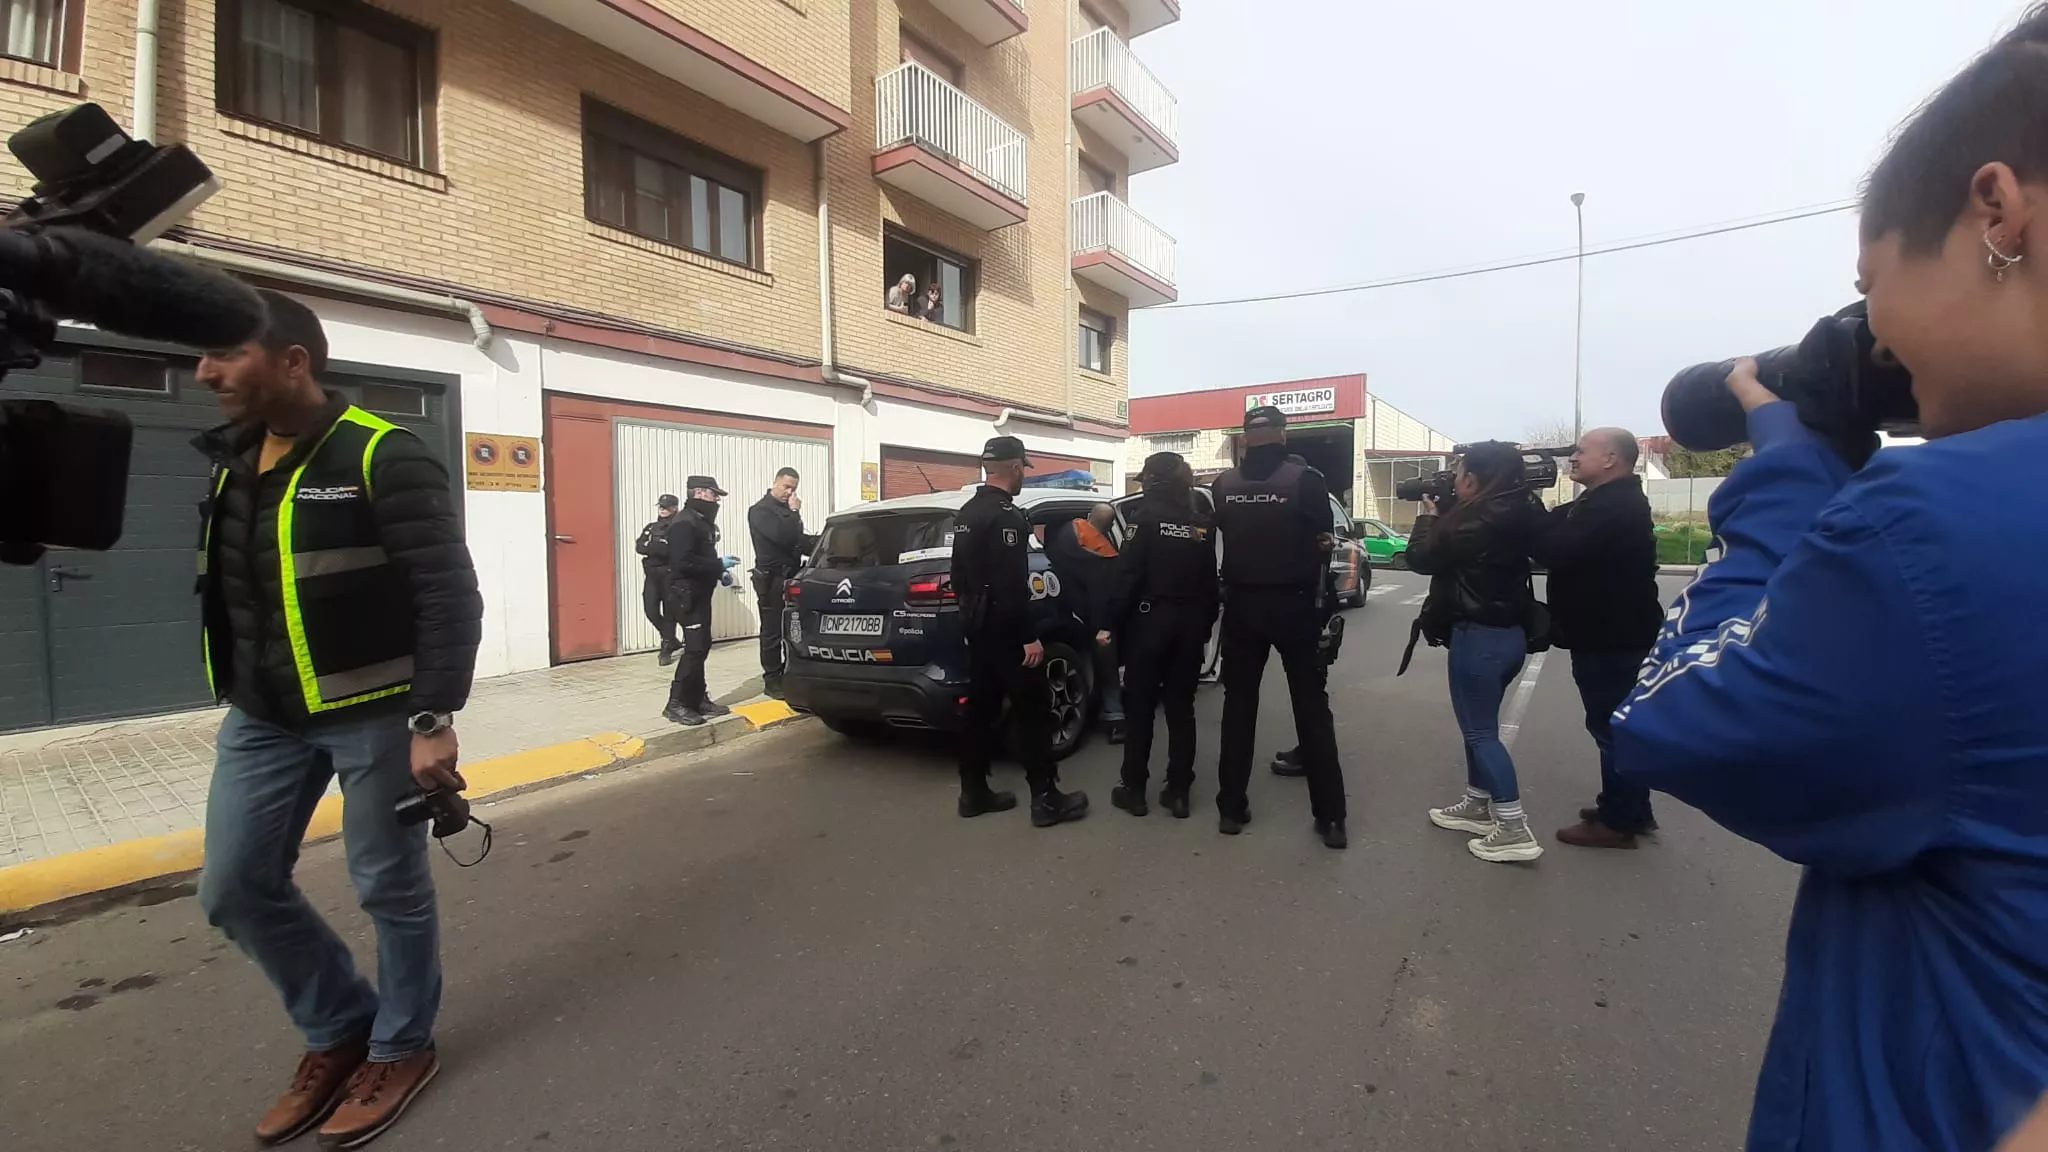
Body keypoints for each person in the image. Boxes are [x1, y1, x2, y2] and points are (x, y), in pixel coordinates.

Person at [1614, 12, 2048, 1147]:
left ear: (1993, 211)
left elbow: (1669, 723)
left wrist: (1784, 484)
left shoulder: (1940, 527)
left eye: (1870, 287)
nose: (1876, 340)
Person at [191, 290, 482, 1147]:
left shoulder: (384, 454)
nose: (204, 373)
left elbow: (445, 592)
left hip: (376, 712)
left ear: (293, 361)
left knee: (388, 887)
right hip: (263, 715)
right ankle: (340, 1025)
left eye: (225, 354)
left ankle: (400, 1046)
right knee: (233, 885)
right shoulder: (232, 459)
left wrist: (432, 716)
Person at [1211, 405, 1347, 849]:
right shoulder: (1306, 482)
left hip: (1243, 608)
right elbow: (1324, 544)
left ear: (1246, 439)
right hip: (1294, 606)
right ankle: (1331, 819)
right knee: (1310, 708)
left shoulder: (1223, 485)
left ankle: (1231, 809)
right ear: (1283, 437)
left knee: (1239, 707)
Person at [1407, 441, 1545, 864]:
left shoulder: (1473, 521)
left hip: (1479, 636)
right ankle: (1476, 803)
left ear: (1473, 479)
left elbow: (1421, 558)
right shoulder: (1522, 510)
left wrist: (1429, 518)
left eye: (1460, 471)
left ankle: (1512, 825)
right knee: (1478, 726)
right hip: (1510, 636)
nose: (1454, 478)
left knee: (1481, 733)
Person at [1529, 428, 1664, 850]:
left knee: (1610, 727)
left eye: (1581, 451)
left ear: (1610, 459)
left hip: (1611, 638)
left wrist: (1524, 511)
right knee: (1618, 726)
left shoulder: (1614, 506)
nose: (1572, 456)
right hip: (1613, 633)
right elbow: (1555, 522)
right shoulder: (1606, 500)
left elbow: (1554, 548)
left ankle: (1618, 822)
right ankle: (1632, 808)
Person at [952, 436, 1089, 827]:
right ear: (1015, 468)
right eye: (1022, 471)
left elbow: (960, 579)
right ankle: (1046, 799)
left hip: (978, 629)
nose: (1021, 479)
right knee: (1033, 712)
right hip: (1008, 633)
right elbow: (1012, 585)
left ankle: (973, 792)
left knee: (980, 712)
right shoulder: (1006, 516)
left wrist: (971, 624)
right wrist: (1029, 636)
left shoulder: (966, 514)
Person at [1102, 452, 1217, 819]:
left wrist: (1109, 624)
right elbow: (1209, 584)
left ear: (1154, 480)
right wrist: (1203, 626)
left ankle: (1134, 790)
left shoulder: (1144, 520)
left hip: (1150, 625)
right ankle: (1179, 792)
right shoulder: (1199, 523)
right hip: (1188, 626)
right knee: (1182, 711)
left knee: (1140, 710)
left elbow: (1126, 578)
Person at [1046, 501, 1125, 743]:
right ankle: (1115, 720)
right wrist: (1104, 626)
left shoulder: (1062, 537)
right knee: (1108, 667)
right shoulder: (1108, 555)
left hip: (1062, 613)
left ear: (1088, 516)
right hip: (1094, 618)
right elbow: (1103, 594)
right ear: (1110, 525)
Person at [663, 475, 738, 727]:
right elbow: (683, 562)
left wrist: (719, 572)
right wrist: (717, 564)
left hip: (699, 592)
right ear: (699, 493)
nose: (717, 499)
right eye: (713, 494)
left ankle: (697, 698)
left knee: (702, 646)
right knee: (694, 649)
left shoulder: (701, 522)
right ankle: (676, 704)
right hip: (686, 595)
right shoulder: (684, 523)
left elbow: (700, 558)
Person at [748, 467, 816, 699]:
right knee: (772, 631)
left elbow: (797, 540)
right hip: (771, 578)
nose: (789, 492)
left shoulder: (786, 512)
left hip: (791, 577)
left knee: (793, 628)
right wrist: (795, 512)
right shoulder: (760, 511)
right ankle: (772, 678)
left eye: (793, 489)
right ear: (775, 482)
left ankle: (791, 671)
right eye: (786, 487)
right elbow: (782, 536)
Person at [636, 494, 682, 665]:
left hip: (670, 575)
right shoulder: (651, 527)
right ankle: (671, 639)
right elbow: (640, 546)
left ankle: (666, 647)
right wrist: (657, 547)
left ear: (675, 508)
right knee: (651, 610)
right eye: (661, 506)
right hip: (652, 575)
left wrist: (653, 547)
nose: (663, 509)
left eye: (667, 507)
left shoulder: (679, 527)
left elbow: (672, 550)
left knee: (670, 613)